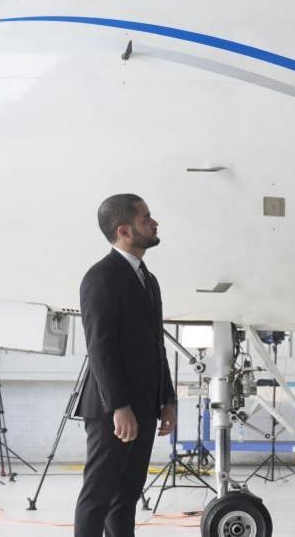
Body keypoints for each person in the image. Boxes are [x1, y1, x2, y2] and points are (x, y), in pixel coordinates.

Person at [73, 194, 177, 537]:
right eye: (146, 218)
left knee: (127, 496)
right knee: (98, 497)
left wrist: (168, 399)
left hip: (145, 405)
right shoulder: (101, 278)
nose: (154, 222)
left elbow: (156, 345)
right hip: (112, 410)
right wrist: (118, 406)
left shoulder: (148, 279)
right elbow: (100, 349)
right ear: (124, 230)